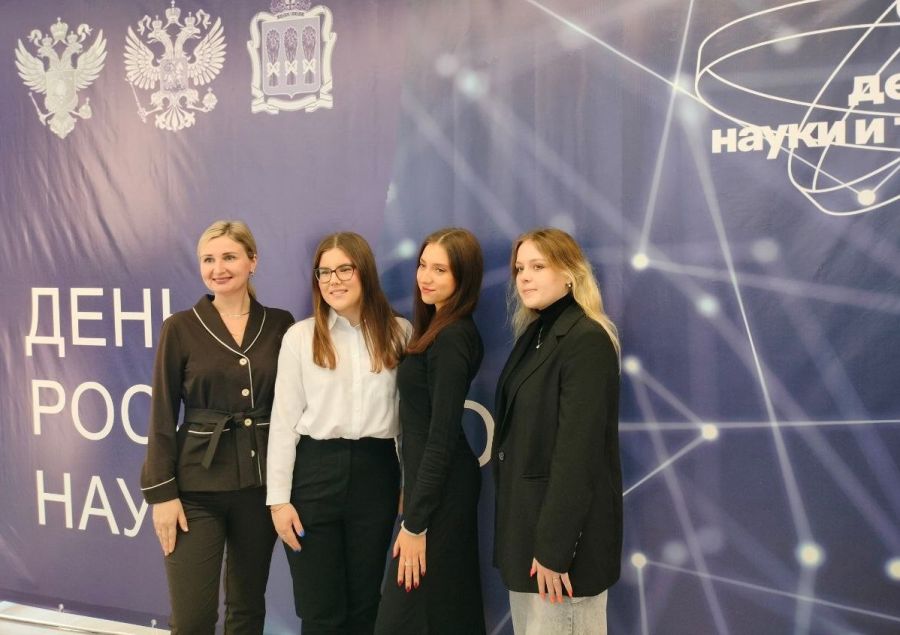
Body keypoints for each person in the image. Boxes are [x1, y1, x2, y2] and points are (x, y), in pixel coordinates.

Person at [140, 220, 295, 634]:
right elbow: (161, 414)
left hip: (260, 488)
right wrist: (162, 494)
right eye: (208, 259)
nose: (218, 268)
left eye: (229, 257)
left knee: (247, 610)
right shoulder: (180, 327)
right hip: (195, 490)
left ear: (252, 261)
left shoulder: (281, 324)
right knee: (192, 619)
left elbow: (293, 407)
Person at [267, 232, 410, 634]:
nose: (334, 280)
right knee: (320, 611)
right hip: (314, 475)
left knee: (365, 606)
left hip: (376, 474)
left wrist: (407, 484)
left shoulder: (399, 333)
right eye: (324, 272)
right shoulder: (300, 337)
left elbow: (407, 422)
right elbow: (283, 422)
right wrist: (278, 502)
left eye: (344, 269)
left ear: (364, 272)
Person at [493, 228, 622, 635]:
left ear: (569, 273)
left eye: (537, 266)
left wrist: (555, 549)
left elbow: (578, 454)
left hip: (562, 556)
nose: (524, 277)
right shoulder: (535, 334)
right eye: (519, 269)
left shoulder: (586, 339)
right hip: (526, 541)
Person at [375, 227, 487, 635]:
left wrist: (416, 522)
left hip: (442, 495)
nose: (425, 276)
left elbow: (441, 436)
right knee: (443, 609)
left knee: (407, 615)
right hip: (433, 487)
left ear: (463, 278)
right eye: (423, 265)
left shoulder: (453, 337)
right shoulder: (438, 327)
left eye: (440, 270)